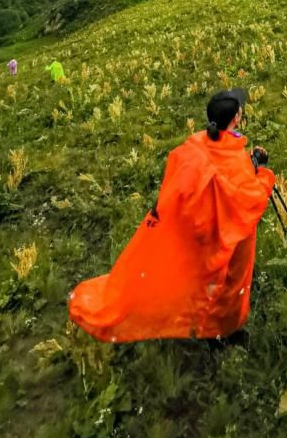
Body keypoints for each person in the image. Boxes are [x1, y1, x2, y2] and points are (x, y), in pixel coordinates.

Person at [68, 88, 274, 343]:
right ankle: (222, 329)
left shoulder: (195, 144)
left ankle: (201, 319)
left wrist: (250, 162)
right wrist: (263, 174)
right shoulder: (233, 160)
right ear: (235, 118)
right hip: (226, 237)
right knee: (228, 282)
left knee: (203, 281)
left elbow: (191, 183)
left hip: (198, 233)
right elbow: (250, 199)